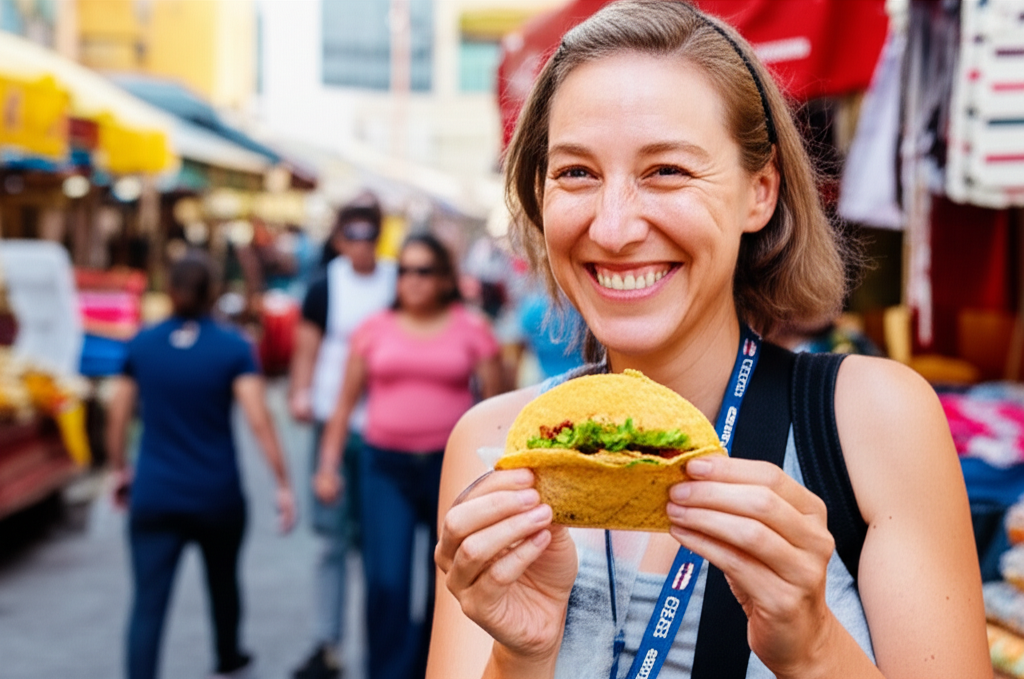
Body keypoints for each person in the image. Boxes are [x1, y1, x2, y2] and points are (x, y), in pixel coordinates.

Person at [428, 2, 992, 679]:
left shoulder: (875, 421)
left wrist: (814, 647)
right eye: (576, 172)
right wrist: (520, 656)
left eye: (667, 170)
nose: (612, 228)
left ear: (760, 192)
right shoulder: (496, 448)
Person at [315, 233, 503, 679]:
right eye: (403, 271)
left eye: (423, 271)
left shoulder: (472, 328)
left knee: (447, 579)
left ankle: (432, 668)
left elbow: (497, 408)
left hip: (450, 468)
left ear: (444, 279)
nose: (412, 280)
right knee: (386, 582)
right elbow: (344, 404)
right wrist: (327, 465)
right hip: (385, 468)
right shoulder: (373, 329)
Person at [106, 251, 296, 679]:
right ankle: (228, 656)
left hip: (154, 493)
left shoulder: (143, 343)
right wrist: (282, 482)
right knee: (223, 582)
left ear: (170, 289)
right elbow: (258, 418)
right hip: (216, 494)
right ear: (214, 292)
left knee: (148, 603)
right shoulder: (233, 346)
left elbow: (118, 414)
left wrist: (119, 469)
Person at [288, 196, 397, 679]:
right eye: (351, 234)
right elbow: (306, 349)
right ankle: (327, 643)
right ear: (338, 239)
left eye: (369, 234)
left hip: (382, 428)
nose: (361, 244)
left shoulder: (396, 281)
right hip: (332, 421)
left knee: (378, 546)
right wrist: (299, 392)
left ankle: (381, 650)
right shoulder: (324, 286)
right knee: (331, 540)